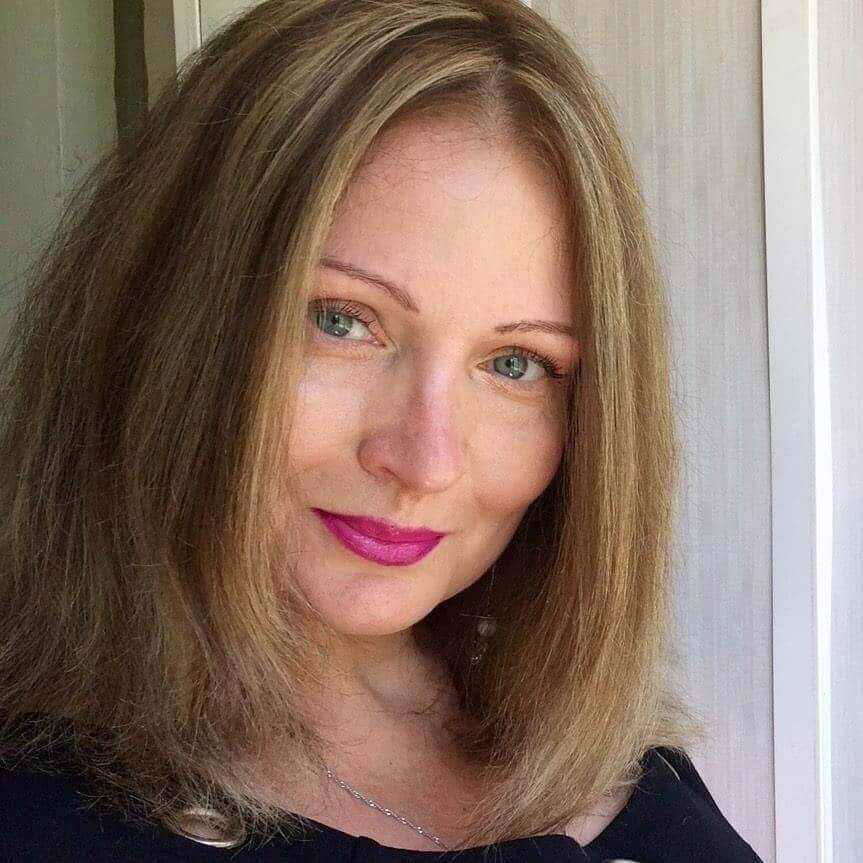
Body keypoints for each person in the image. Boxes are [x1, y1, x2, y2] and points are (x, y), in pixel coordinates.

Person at [0, 0, 764, 860]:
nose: (425, 460)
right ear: (167, 318)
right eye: (341, 320)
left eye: (515, 363)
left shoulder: (618, 764)